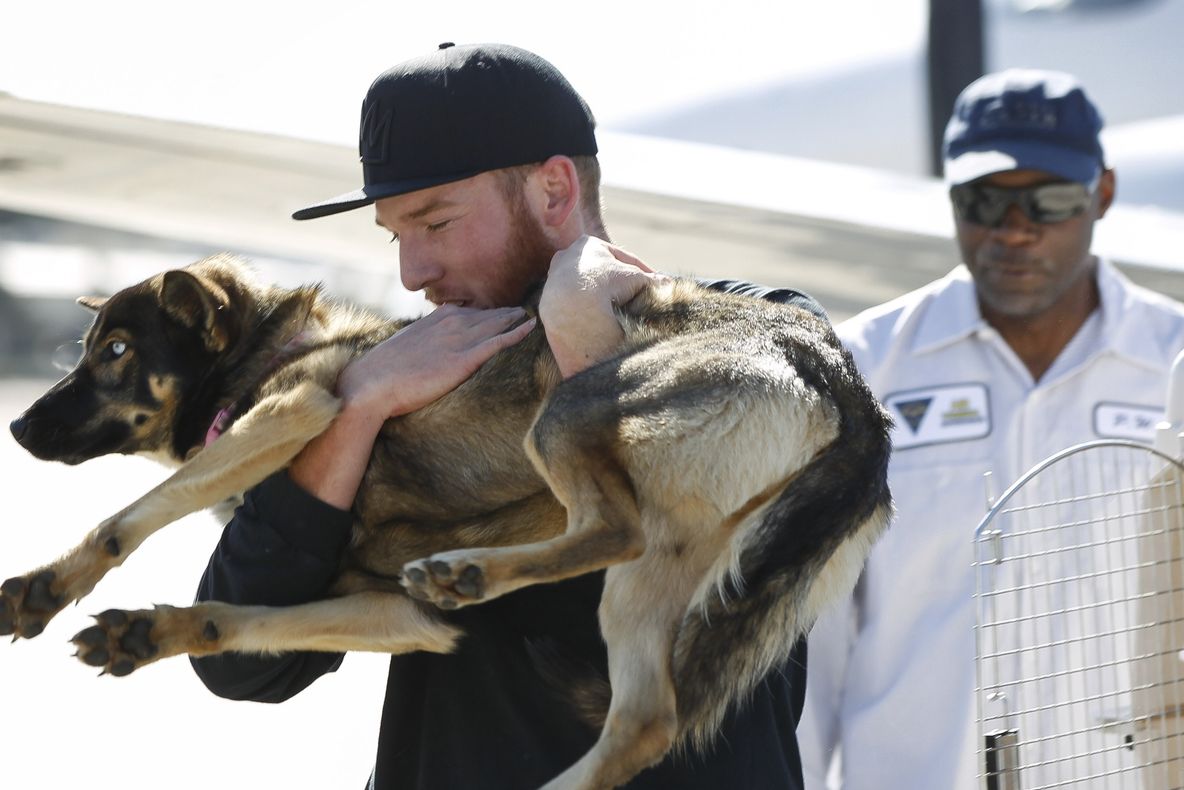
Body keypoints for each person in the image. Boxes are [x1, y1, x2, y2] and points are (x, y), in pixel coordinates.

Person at [192, 42, 820, 790]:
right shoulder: (402, 381)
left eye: (435, 224)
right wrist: (355, 409)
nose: (410, 273)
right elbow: (237, 665)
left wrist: (580, 324)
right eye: (396, 235)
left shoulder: (764, 334)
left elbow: (690, 506)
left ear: (554, 192)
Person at [799, 69, 1184, 790]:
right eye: (984, 201)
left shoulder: (1176, 366)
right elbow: (808, 645)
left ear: (1103, 193)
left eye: (1050, 201)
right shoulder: (861, 369)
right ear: (948, 195)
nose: (1013, 229)